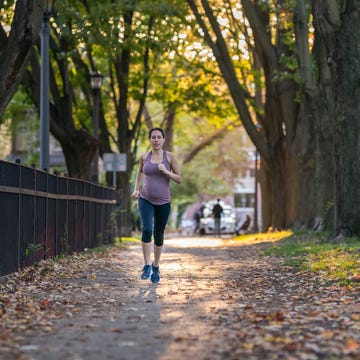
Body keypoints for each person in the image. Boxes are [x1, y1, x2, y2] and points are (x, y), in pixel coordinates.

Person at [131, 127, 182, 283]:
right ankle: (146, 265)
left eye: (159, 137)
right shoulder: (144, 157)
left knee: (159, 235)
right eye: (153, 137)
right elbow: (140, 172)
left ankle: (156, 266)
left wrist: (166, 172)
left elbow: (179, 179)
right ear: (150, 139)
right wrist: (136, 190)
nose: (156, 140)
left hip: (163, 201)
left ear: (163, 139)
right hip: (145, 198)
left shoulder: (170, 157)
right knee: (147, 229)